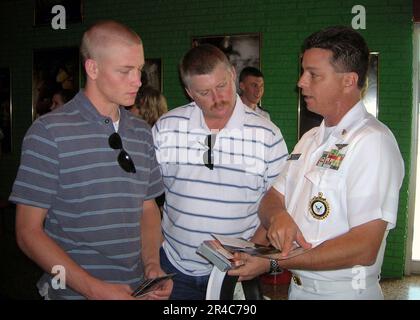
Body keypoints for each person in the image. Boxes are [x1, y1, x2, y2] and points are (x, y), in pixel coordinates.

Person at [9, 20, 172, 300]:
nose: (138, 81)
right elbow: (28, 232)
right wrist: (93, 289)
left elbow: (147, 209)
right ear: (92, 68)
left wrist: (152, 265)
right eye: (126, 71)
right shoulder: (49, 132)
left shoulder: (142, 132)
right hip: (73, 293)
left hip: (136, 288)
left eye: (139, 70)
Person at [258, 26, 404, 300]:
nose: (301, 82)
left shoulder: (372, 142)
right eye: (303, 72)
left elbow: (364, 246)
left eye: (313, 74)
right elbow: (271, 199)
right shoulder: (311, 138)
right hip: (299, 289)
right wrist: (278, 216)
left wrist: (274, 262)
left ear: (348, 81)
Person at [152, 44, 289, 299]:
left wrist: (253, 250)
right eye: (204, 92)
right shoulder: (166, 127)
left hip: (234, 271)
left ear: (233, 75)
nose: (218, 99)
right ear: (189, 92)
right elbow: (146, 201)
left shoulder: (267, 134)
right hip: (174, 268)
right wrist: (150, 262)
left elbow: (279, 200)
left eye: (222, 85)